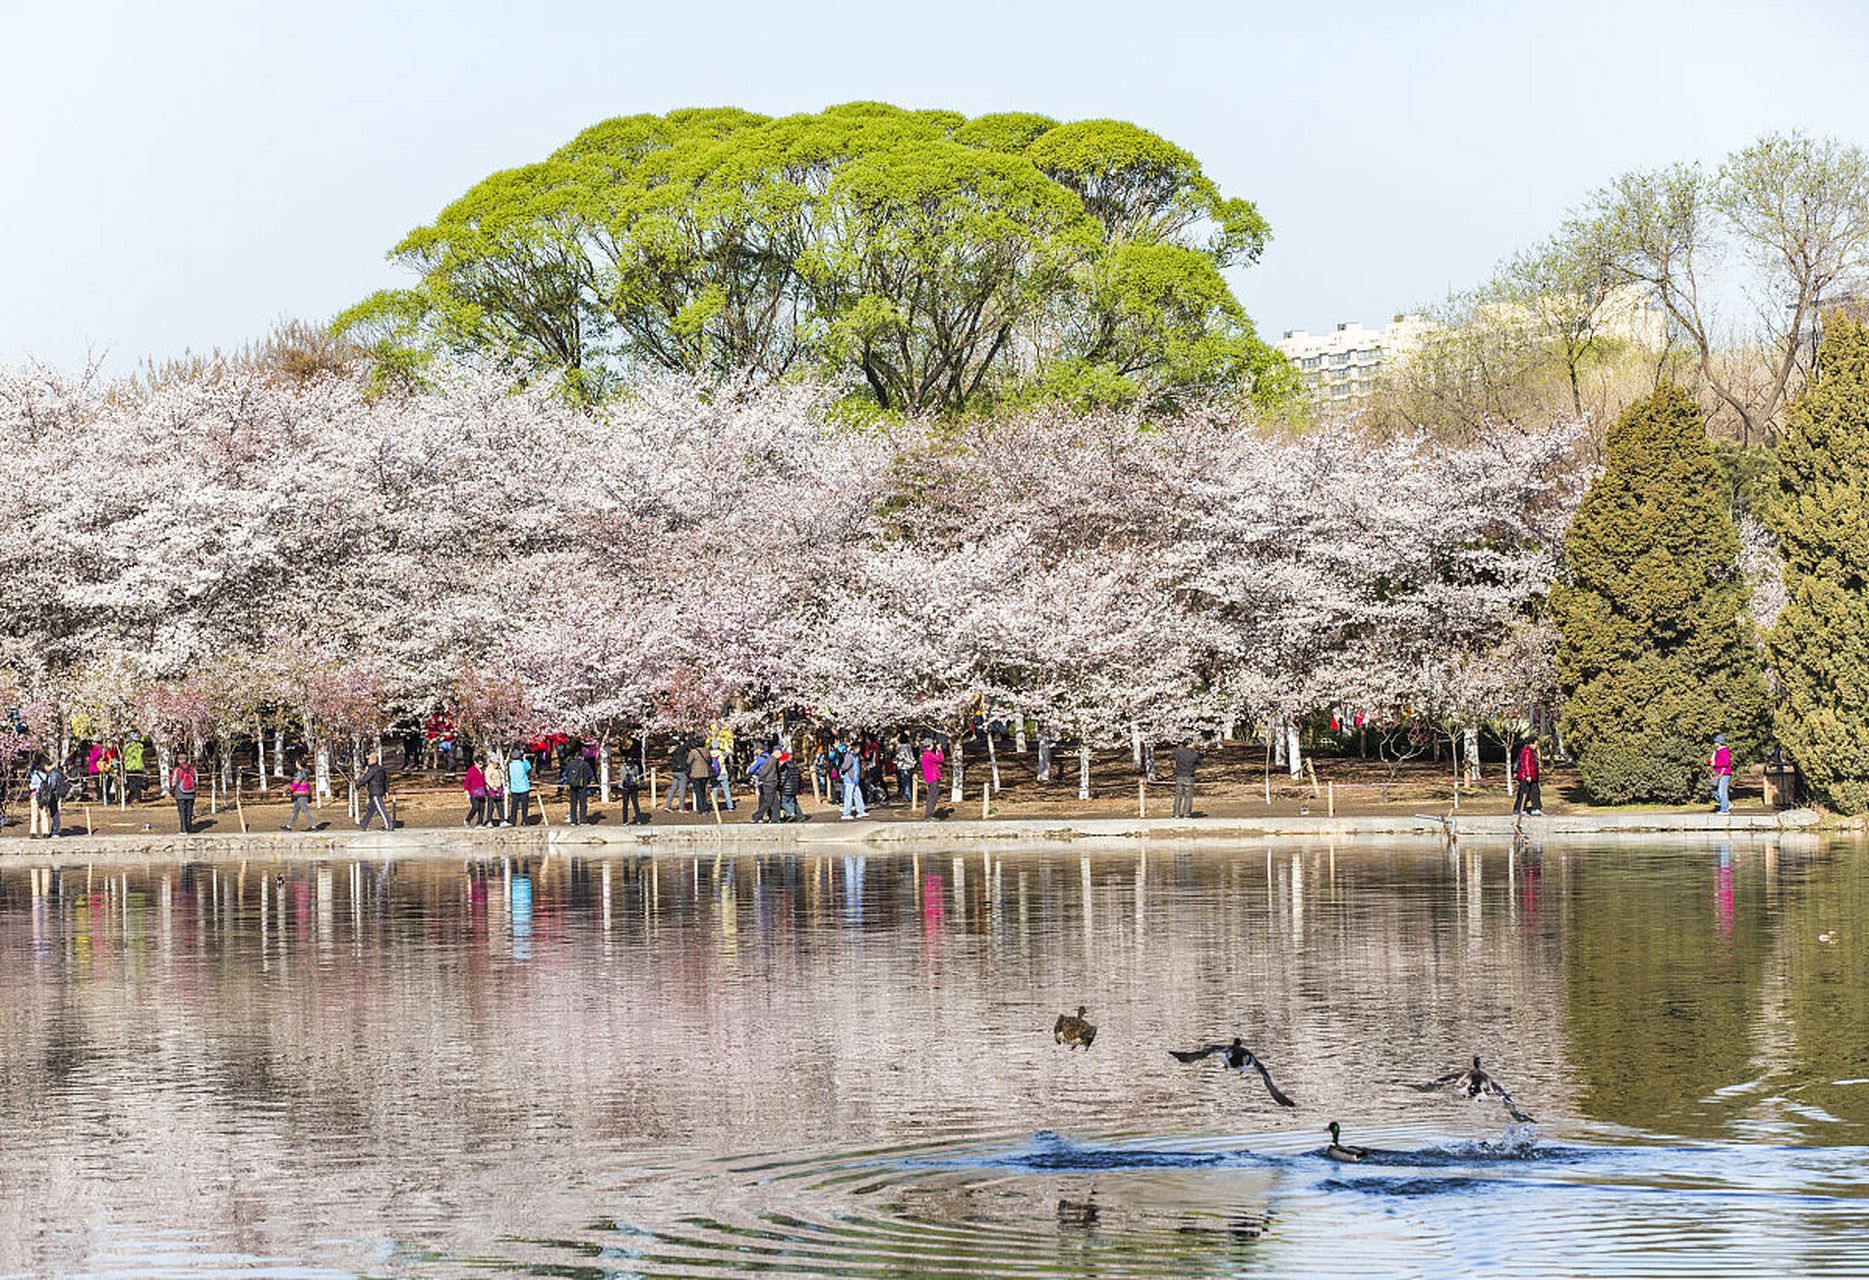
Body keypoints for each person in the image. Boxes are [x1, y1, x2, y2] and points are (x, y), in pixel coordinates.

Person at [357, 751, 393, 831]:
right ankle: (363, 825)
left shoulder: (373, 769)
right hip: (379, 791)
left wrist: (358, 785)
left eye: (368, 759)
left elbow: (366, 778)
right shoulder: (381, 768)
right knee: (370, 810)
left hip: (375, 791)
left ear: (372, 760)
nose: (367, 761)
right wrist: (386, 791)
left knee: (381, 808)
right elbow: (386, 781)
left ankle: (388, 824)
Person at [563, 743, 595, 825]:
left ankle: (573, 820)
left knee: (573, 803)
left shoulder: (570, 764)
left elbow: (566, 774)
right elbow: (590, 774)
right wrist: (587, 781)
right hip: (582, 785)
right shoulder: (585, 764)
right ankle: (583, 820)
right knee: (582, 803)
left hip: (572, 785)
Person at [34, 756, 64, 838]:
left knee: (54, 812)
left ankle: (55, 831)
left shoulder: (53, 773)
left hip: (53, 794)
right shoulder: (56, 772)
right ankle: (54, 830)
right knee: (54, 812)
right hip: (54, 794)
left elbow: (53, 785)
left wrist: (46, 789)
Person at [1171, 737, 1200, 818]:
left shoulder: (1178, 752)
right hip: (1189, 776)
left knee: (1178, 795)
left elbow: (1169, 758)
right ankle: (1186, 814)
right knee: (1188, 796)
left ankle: (1176, 813)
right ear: (1190, 743)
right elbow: (1199, 762)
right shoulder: (1194, 753)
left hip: (1179, 775)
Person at [750, 743, 779, 823]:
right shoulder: (770, 759)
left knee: (769, 801)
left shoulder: (762, 759)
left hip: (767, 781)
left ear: (759, 749)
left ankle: (771, 818)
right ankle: (768, 817)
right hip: (770, 781)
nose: (755, 752)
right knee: (770, 801)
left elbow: (752, 769)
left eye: (756, 750)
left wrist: (759, 778)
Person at [1513, 738, 1543, 816]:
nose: (1536, 746)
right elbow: (1525, 764)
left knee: (1535, 791)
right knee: (1523, 792)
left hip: (1533, 776)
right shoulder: (1526, 752)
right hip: (1526, 776)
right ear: (1531, 744)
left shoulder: (1532, 752)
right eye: (1535, 744)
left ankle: (1536, 808)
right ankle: (1519, 809)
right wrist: (1528, 775)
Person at [284, 758, 315, 831]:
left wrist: (288, 791)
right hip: (299, 794)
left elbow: (295, 783)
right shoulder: (305, 772)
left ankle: (313, 826)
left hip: (301, 794)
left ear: (299, 764)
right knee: (295, 810)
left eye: (296, 763)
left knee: (305, 810)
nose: (295, 764)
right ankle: (289, 826)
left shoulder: (301, 773)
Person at [171, 755, 198, 835]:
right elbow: (196, 780)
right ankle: (189, 827)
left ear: (179, 760)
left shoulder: (177, 769)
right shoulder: (193, 769)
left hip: (180, 793)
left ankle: (183, 829)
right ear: (187, 760)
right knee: (189, 811)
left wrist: (173, 789)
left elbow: (174, 781)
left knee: (182, 811)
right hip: (191, 792)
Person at [839, 743, 867, 820]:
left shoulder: (855, 756)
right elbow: (845, 767)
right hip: (850, 779)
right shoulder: (850, 756)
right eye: (858, 748)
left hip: (855, 779)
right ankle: (846, 813)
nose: (859, 750)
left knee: (858, 795)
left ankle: (861, 811)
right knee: (849, 796)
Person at [507, 750, 533, 826]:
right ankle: (524, 820)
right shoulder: (522, 764)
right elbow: (529, 768)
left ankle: (513, 820)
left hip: (514, 788)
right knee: (524, 806)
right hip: (523, 788)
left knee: (514, 806)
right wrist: (525, 759)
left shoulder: (510, 765)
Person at [616, 753, 644, 824]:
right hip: (625, 787)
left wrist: (636, 780)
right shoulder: (623, 768)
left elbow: (637, 775)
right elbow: (623, 778)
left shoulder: (635, 767)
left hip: (633, 786)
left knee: (635, 803)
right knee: (625, 804)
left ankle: (638, 819)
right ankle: (625, 820)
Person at [687, 739, 713, 814]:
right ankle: (704, 806)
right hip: (705, 773)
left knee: (698, 792)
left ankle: (702, 809)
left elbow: (688, 761)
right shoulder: (707, 751)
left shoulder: (693, 752)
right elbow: (710, 760)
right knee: (703, 791)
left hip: (696, 774)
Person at [919, 739, 944, 819]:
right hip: (933, 777)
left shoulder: (924, 754)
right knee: (933, 796)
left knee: (931, 795)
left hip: (929, 777)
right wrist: (939, 750)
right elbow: (940, 759)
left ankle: (928, 813)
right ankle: (929, 814)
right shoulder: (928, 754)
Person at [1710, 733, 1733, 814]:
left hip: (1724, 774)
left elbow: (1726, 762)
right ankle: (1726, 804)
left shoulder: (1723, 751)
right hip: (1717, 773)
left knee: (1721, 791)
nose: (1714, 743)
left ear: (1719, 742)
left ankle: (1724, 810)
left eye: (1716, 741)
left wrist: (1715, 763)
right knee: (1714, 790)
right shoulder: (1717, 751)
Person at [665, 739, 690, 814]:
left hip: (674, 771)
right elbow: (687, 744)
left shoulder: (671, 751)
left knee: (673, 789)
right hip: (681, 771)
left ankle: (667, 805)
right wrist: (690, 734)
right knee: (682, 790)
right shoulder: (679, 750)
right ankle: (681, 807)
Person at [463, 757, 489, 827]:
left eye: (482, 764)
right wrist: (466, 790)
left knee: (482, 808)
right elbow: (466, 781)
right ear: (476, 763)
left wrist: (486, 790)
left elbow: (483, 781)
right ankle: (468, 819)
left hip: (482, 792)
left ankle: (479, 823)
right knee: (475, 807)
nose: (481, 765)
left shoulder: (482, 771)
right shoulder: (471, 771)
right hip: (474, 792)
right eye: (480, 764)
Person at [777, 750, 803, 821]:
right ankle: (789, 815)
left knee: (784, 802)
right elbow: (799, 778)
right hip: (794, 788)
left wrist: (779, 786)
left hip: (786, 788)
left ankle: (791, 814)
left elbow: (783, 778)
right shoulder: (796, 767)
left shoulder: (785, 767)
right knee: (791, 802)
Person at [123, 735, 146, 804]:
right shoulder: (140, 746)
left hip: (132, 768)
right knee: (136, 785)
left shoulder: (131, 747)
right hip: (135, 767)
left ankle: (135, 798)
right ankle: (134, 798)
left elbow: (128, 753)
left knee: (133, 785)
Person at [894, 735, 916, 804]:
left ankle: (908, 796)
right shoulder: (908, 746)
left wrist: (896, 758)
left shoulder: (902, 747)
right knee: (908, 780)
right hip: (909, 766)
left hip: (904, 766)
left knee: (905, 781)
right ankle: (909, 795)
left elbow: (901, 756)